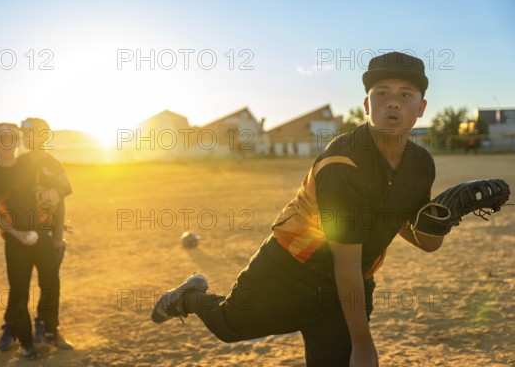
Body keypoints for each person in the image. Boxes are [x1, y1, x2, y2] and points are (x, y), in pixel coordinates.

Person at [151, 51, 444, 367]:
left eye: (406, 94)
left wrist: (445, 217)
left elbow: (425, 241)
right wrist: (362, 345)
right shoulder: (343, 162)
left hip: (354, 280)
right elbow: (345, 264)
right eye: (382, 93)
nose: (393, 103)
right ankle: (187, 297)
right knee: (228, 325)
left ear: (421, 108)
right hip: (292, 267)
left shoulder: (421, 165)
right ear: (366, 105)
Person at [0, 123, 52, 359]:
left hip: (42, 234)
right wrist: (17, 234)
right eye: (2, 138)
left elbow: (49, 193)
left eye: (12, 138)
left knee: (50, 284)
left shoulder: (31, 165)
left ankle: (48, 329)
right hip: (15, 240)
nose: (7, 143)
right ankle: (27, 343)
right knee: (19, 293)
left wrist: (55, 221)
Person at [18, 117, 73, 350]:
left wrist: (59, 236)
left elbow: (61, 205)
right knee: (18, 285)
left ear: (44, 136)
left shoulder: (55, 165)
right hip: (19, 234)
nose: (27, 138)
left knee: (50, 284)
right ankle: (16, 330)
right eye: (24, 134)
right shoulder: (17, 164)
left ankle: (50, 328)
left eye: (33, 133)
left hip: (48, 233)